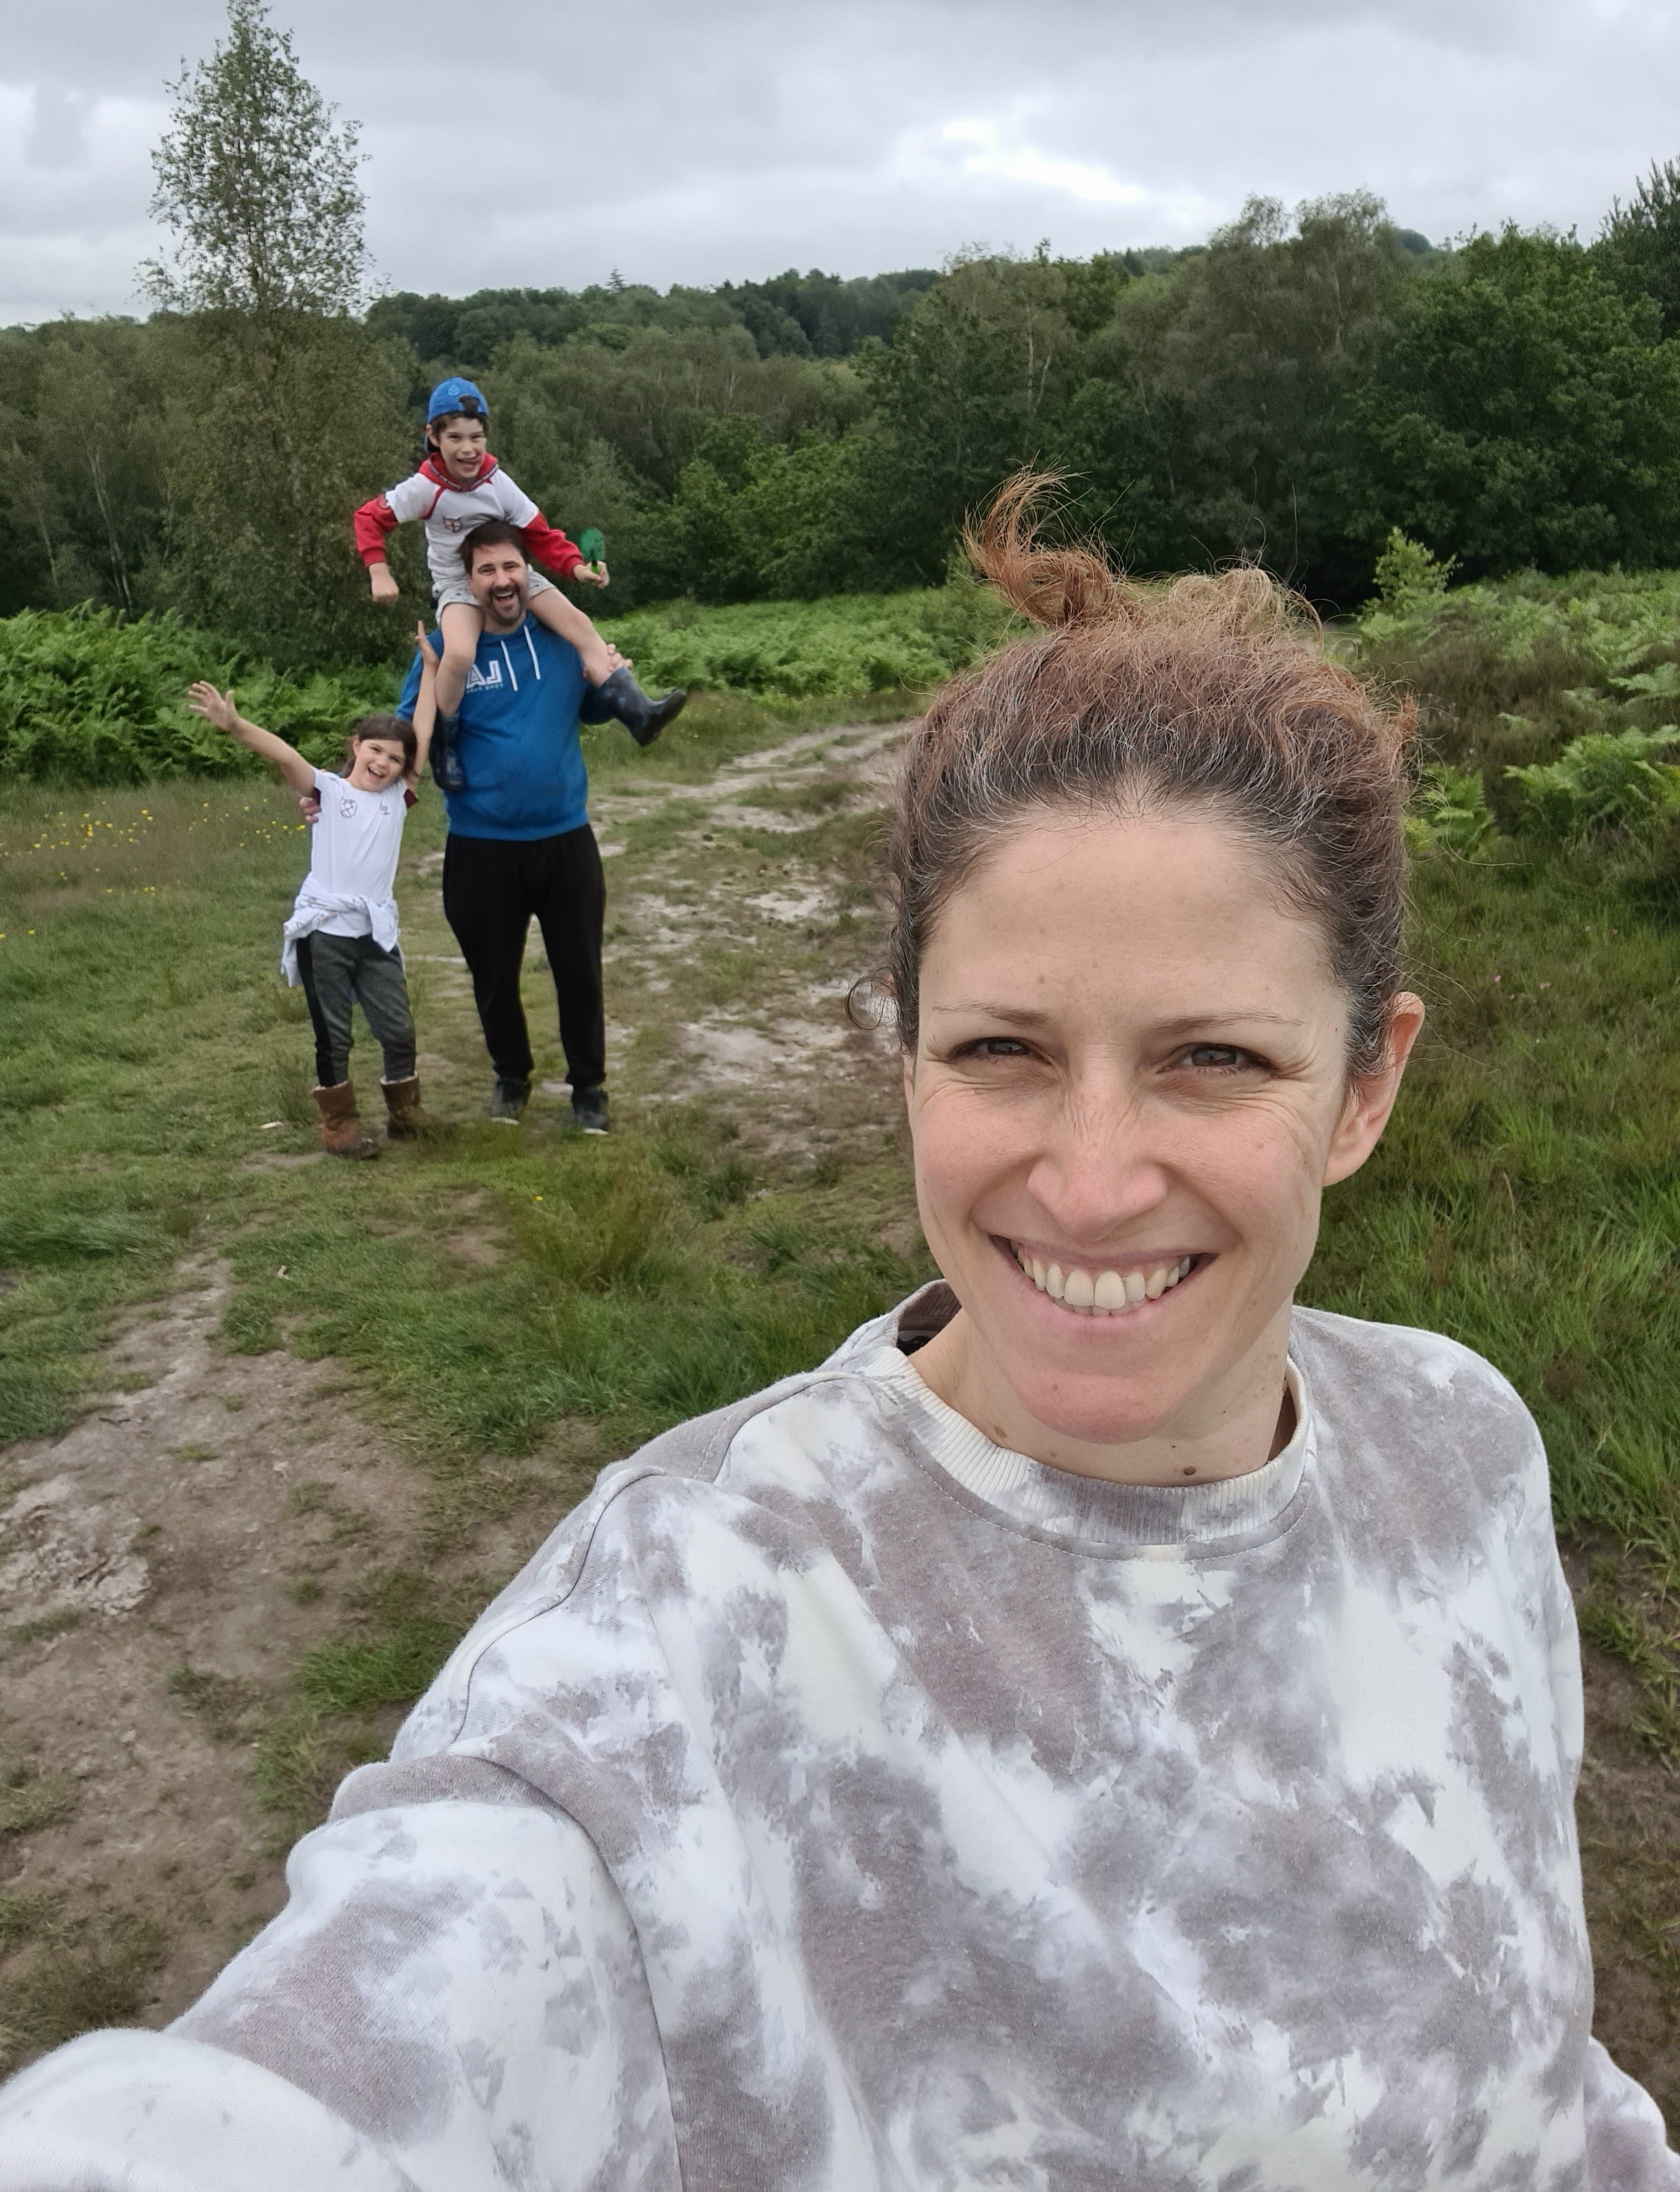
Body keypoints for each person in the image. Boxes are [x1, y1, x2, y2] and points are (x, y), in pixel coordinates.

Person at [4, 482, 1676, 2189]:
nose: (1092, 1185)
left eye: (1216, 1059)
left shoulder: (1465, 1442)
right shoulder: (683, 1642)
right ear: (902, 1059)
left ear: (1369, 1083)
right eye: (1000, 1051)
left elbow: (1546, 2066)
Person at [354, 375, 685, 783]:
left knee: (579, 626)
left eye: (477, 437)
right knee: (457, 655)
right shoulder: (425, 488)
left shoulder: (497, 483)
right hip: (459, 586)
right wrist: (378, 569)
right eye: (455, 437)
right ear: (433, 437)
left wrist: (577, 566)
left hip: (512, 574)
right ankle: (449, 746)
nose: (469, 448)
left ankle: (638, 712)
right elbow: (369, 517)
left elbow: (539, 534)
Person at [400, 522, 619, 1134]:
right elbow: (404, 732)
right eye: (487, 571)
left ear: (530, 572)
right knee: (493, 975)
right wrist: (344, 786)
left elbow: (596, 707)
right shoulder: (448, 650)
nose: (502, 580)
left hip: (565, 838)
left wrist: (611, 678)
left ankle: (589, 1089)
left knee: (580, 971)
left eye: (511, 567)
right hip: (480, 846)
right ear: (468, 583)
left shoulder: (558, 637)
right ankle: (511, 1078)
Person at [186, 682, 433, 1160]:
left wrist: (434, 666)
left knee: (398, 1028)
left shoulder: (398, 798)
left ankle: (406, 1114)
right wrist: (235, 725)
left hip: (376, 935)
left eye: (395, 759)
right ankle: (340, 1126)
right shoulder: (328, 789)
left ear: (405, 769)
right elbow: (284, 753)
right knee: (333, 1034)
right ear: (356, 746)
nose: (382, 764)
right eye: (375, 750)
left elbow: (425, 726)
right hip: (324, 935)